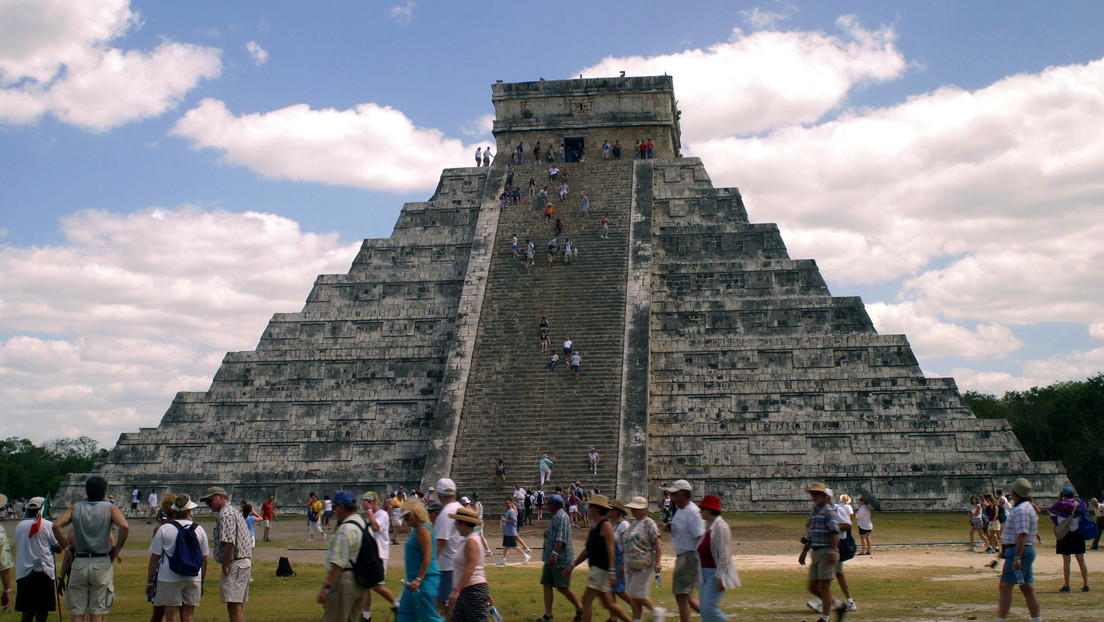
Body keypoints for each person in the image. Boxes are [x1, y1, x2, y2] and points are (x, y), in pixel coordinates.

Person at [52, 475, 130, 622]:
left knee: (77, 612)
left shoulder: (75, 508)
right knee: (97, 612)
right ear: (104, 492)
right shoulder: (110, 508)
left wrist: (67, 548)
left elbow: (56, 526)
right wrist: (118, 547)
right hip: (101, 562)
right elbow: (124, 526)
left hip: (79, 562)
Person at [565, 494, 631, 622]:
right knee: (609, 604)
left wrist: (612, 571)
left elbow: (611, 549)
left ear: (597, 508)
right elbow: (587, 550)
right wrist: (573, 565)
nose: (588, 508)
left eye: (591, 506)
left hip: (601, 569)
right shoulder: (595, 527)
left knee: (586, 600)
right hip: (597, 567)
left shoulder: (605, 526)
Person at [147, 494, 208, 622]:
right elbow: (204, 559)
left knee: (172, 617)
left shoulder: (164, 529)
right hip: (193, 576)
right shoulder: (199, 529)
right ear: (189, 511)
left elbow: (154, 558)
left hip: (169, 576)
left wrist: (150, 581)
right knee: (188, 617)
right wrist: (201, 582)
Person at [200, 486, 253, 622]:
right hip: (241, 562)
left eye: (210, 500)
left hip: (235, 562)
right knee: (236, 605)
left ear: (220, 497)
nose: (208, 504)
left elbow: (229, 542)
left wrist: (225, 564)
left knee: (233, 605)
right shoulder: (232, 512)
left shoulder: (226, 514)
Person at [317, 491, 368, 622]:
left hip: (344, 582)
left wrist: (327, 586)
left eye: (335, 507)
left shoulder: (345, 530)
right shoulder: (362, 525)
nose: (334, 511)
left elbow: (338, 563)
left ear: (341, 507)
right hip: (361, 581)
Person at [798, 482, 844, 622]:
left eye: (817, 493)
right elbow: (810, 536)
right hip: (816, 552)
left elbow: (835, 533)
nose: (814, 496)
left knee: (824, 586)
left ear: (824, 496)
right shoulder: (813, 512)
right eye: (813, 493)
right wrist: (804, 551)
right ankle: (838, 605)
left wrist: (832, 551)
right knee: (812, 587)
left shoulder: (828, 511)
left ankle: (825, 618)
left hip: (826, 551)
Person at [997, 478, 1042, 622]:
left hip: (1020, 551)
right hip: (1019, 550)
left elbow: (1022, 534)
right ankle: (1036, 619)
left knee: (1005, 586)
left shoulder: (1022, 510)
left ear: (1014, 492)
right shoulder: (1023, 507)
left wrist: (1017, 557)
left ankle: (1001, 619)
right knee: (1027, 587)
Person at [14, 496, 64, 622]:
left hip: (23, 573)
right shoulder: (47, 525)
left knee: (26, 612)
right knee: (42, 612)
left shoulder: (19, 526)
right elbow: (58, 549)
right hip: (42, 572)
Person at [663, 480, 704, 622]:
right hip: (683, 557)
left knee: (682, 595)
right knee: (685, 596)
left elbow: (700, 537)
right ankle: (714, 617)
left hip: (689, 557)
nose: (672, 497)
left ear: (684, 494)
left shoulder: (692, 512)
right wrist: (671, 527)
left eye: (675, 494)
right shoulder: (680, 510)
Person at [398, 499, 442, 622]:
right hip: (413, 583)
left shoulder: (423, 529)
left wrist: (419, 579)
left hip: (424, 581)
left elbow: (428, 555)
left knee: (430, 618)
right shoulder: (417, 530)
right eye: (404, 518)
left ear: (417, 513)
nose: (406, 521)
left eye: (408, 516)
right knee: (404, 615)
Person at [623, 496, 665, 622]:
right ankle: (637, 619)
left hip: (644, 563)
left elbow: (658, 543)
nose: (632, 511)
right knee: (632, 594)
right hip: (631, 563)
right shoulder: (634, 523)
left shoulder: (649, 523)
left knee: (638, 593)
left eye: (635, 509)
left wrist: (658, 561)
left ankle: (656, 610)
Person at [360, 492, 400, 621]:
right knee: (366, 585)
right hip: (371, 554)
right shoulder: (369, 516)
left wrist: (370, 512)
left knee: (375, 585)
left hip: (380, 554)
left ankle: (397, 605)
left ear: (373, 502)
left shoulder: (382, 515)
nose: (364, 505)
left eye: (366, 502)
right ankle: (366, 614)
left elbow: (376, 527)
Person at [445, 507, 487, 622]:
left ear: (463, 523)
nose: (456, 527)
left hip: (472, 589)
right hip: (467, 589)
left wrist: (457, 590)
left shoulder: (471, 541)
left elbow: (470, 568)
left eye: (457, 523)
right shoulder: (467, 539)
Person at [696, 495, 733, 622]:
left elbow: (724, 553)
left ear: (710, 511)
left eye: (703, 509)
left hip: (714, 573)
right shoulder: (707, 526)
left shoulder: (721, 527)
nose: (700, 511)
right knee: (704, 611)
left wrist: (720, 576)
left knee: (708, 608)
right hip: (704, 572)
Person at [1049, 485, 1090, 592]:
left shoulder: (1060, 505)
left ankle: (1067, 585)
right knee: (1081, 560)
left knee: (1066, 561)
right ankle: (1086, 584)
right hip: (1077, 534)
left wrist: (1059, 499)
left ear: (1063, 495)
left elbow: (1051, 512)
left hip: (1065, 535)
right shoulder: (1080, 505)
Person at [433, 478, 463, 619]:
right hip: (459, 565)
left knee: (445, 608)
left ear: (439, 496)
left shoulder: (445, 515)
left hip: (446, 568)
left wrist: (426, 567)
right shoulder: (461, 509)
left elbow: (440, 544)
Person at [608, 500, 632, 611]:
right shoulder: (612, 524)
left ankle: (635, 607)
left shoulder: (623, 525)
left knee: (620, 590)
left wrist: (623, 564)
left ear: (618, 512)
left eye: (611, 509)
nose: (609, 511)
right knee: (611, 589)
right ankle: (613, 617)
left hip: (620, 559)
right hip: (612, 559)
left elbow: (627, 546)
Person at [497, 498, 530, 565]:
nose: (506, 505)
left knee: (514, 546)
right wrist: (502, 521)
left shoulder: (511, 511)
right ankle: (503, 559)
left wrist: (505, 520)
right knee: (505, 546)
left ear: (511, 504)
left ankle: (525, 555)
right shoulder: (509, 511)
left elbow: (514, 520)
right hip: (507, 532)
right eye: (506, 503)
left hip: (511, 532)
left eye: (508, 503)